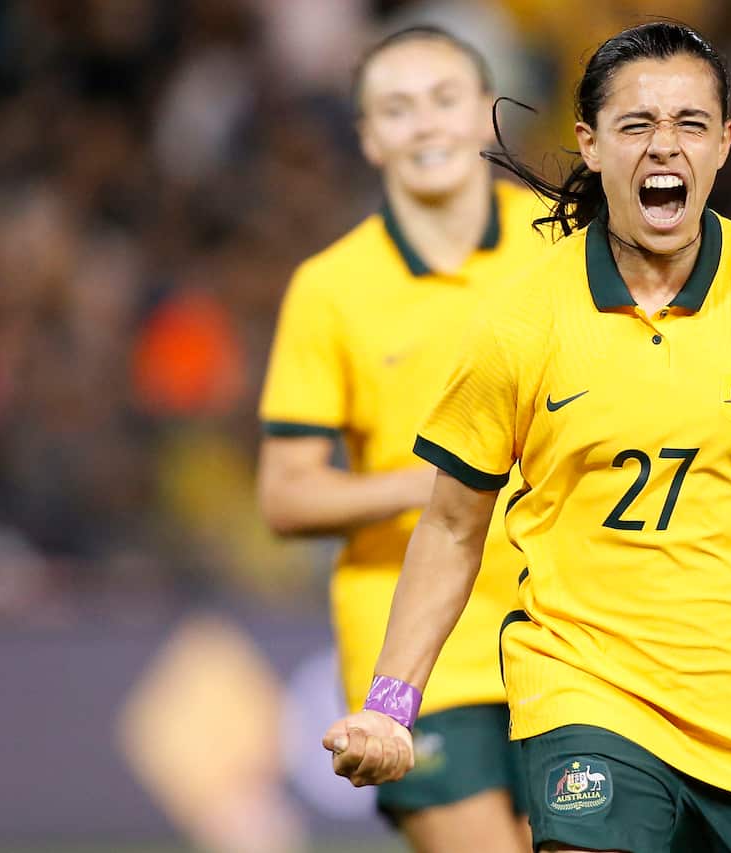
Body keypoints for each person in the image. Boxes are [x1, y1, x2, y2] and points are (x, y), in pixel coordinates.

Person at [322, 21, 731, 853]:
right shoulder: (519, 325)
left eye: (691, 124)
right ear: (590, 145)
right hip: (585, 692)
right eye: (636, 126)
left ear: (725, 144)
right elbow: (451, 525)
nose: (666, 148)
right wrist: (390, 706)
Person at [258, 25, 544, 853]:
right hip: (416, 650)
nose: (425, 124)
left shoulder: (567, 245)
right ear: (369, 137)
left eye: (446, 100)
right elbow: (286, 495)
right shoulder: (332, 287)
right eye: (398, 108)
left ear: (487, 117)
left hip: (566, 626)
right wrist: (440, 482)